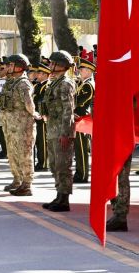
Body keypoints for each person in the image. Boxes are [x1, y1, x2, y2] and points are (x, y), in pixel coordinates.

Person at [42, 50, 77, 213]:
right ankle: (59, 195)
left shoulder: (65, 83)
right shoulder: (55, 82)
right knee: (54, 165)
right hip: (52, 129)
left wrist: (66, 133)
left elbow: (68, 110)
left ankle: (64, 199)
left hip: (61, 131)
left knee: (63, 166)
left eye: (52, 62)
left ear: (60, 65)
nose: (50, 65)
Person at [0, 54, 36, 196]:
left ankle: (27, 184)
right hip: (10, 126)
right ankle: (17, 179)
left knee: (24, 154)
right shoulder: (11, 82)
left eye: (10, 65)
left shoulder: (23, 83)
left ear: (19, 67)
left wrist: (34, 114)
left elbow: (28, 104)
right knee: (12, 153)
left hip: (22, 127)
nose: (7, 67)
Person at [73, 58, 95, 183]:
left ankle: (83, 175)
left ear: (88, 71)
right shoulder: (82, 83)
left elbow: (78, 101)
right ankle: (79, 172)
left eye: (81, 69)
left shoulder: (88, 85)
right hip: (79, 119)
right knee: (78, 148)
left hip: (83, 119)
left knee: (82, 148)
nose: (79, 71)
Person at [33, 64, 51, 171]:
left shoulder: (47, 86)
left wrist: (45, 114)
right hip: (35, 115)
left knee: (43, 141)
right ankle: (39, 162)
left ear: (45, 74)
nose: (37, 74)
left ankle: (44, 163)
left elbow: (45, 101)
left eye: (40, 73)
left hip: (43, 116)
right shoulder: (36, 85)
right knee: (37, 141)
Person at [107, 155, 132, 231]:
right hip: (113, 144)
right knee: (112, 176)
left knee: (122, 177)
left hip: (123, 145)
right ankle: (117, 214)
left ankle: (120, 216)